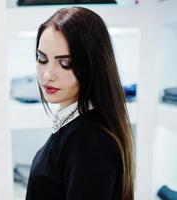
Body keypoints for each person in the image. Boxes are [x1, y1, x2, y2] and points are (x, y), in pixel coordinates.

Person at [25, 7, 134, 200]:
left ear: (92, 64)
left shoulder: (90, 140)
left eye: (65, 63)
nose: (47, 74)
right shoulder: (76, 125)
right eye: (42, 59)